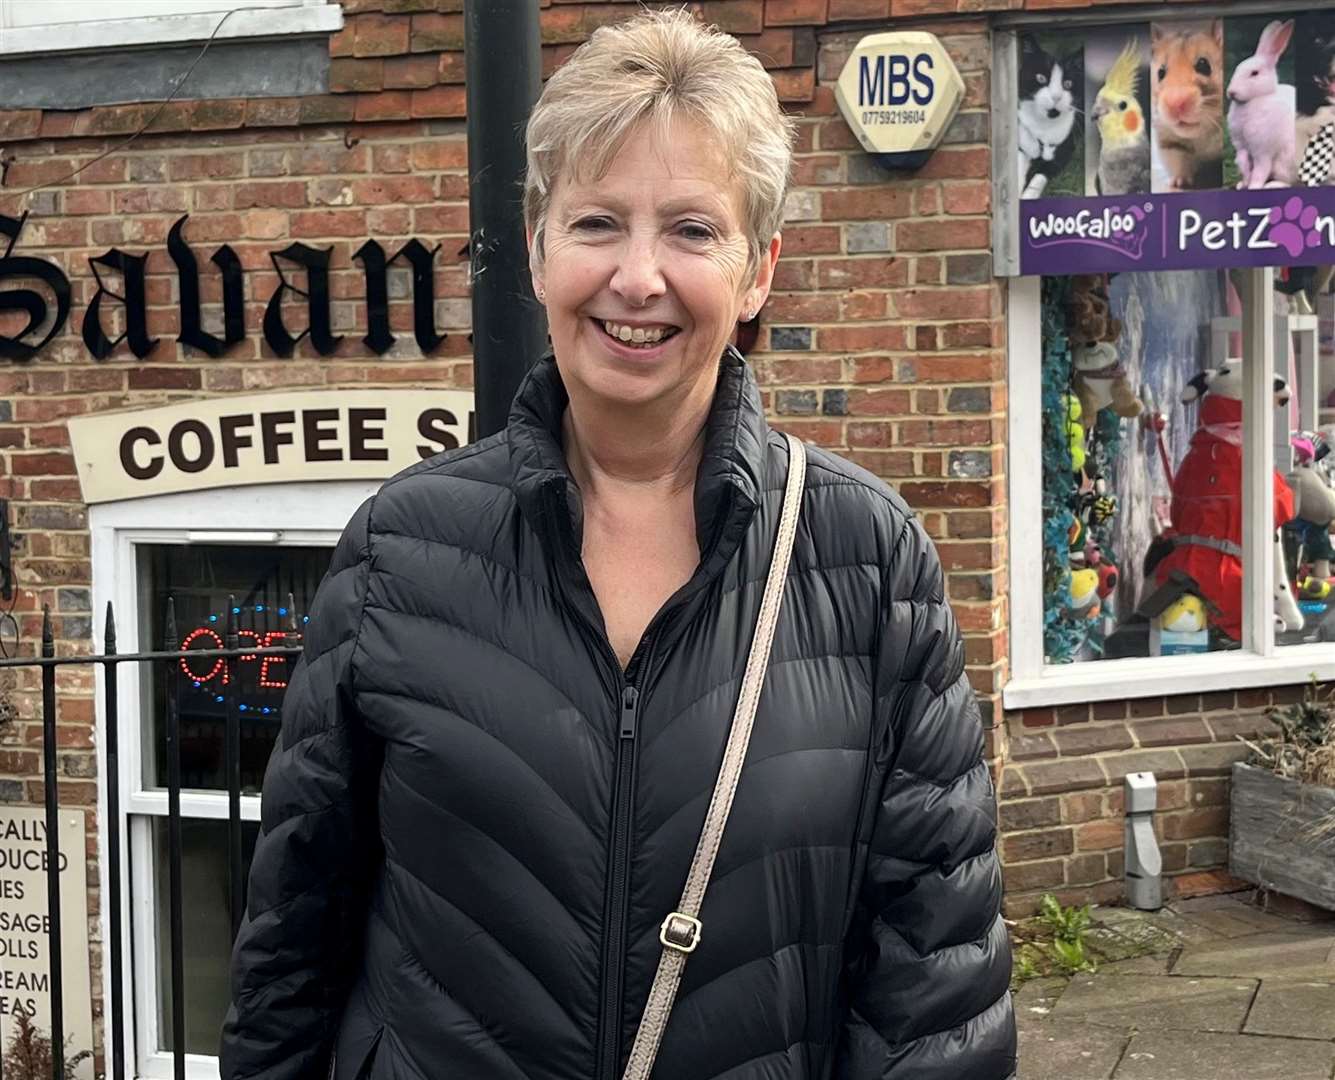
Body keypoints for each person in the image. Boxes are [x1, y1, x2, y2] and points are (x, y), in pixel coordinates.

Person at [220, 10, 1015, 1079]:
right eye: (598, 223)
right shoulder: (399, 550)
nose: (638, 277)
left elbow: (934, 991)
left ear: (758, 270)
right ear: (540, 247)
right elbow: (291, 948)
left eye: (692, 230)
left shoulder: (867, 561)